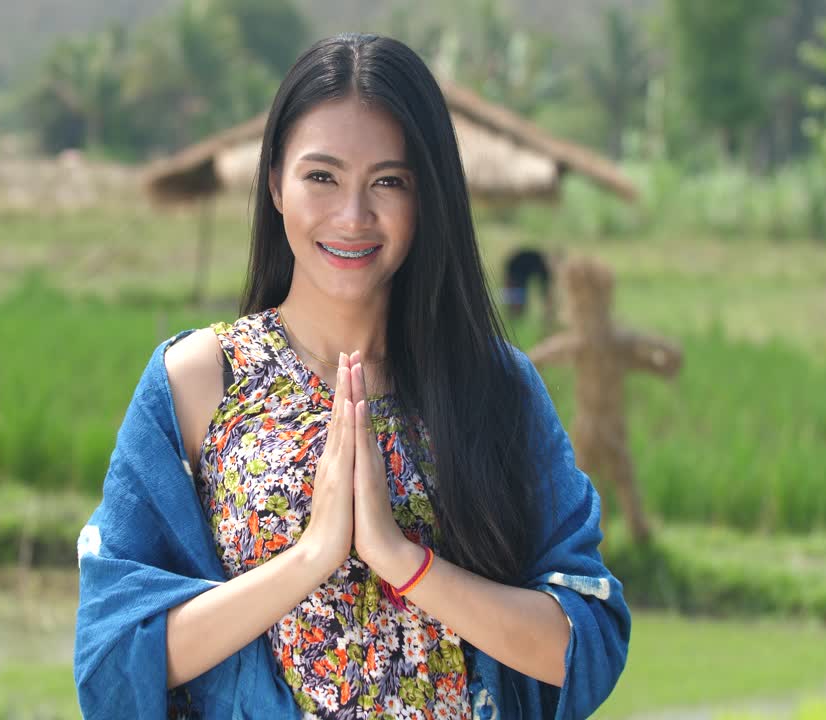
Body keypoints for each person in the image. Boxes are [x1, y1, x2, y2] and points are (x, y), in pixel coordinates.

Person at [74, 33, 629, 720]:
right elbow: (111, 658)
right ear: (274, 181)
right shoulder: (197, 382)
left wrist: (403, 561)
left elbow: (586, 640)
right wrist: (309, 558)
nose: (353, 217)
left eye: (389, 182)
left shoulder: (494, 388)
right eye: (322, 177)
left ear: (428, 197)